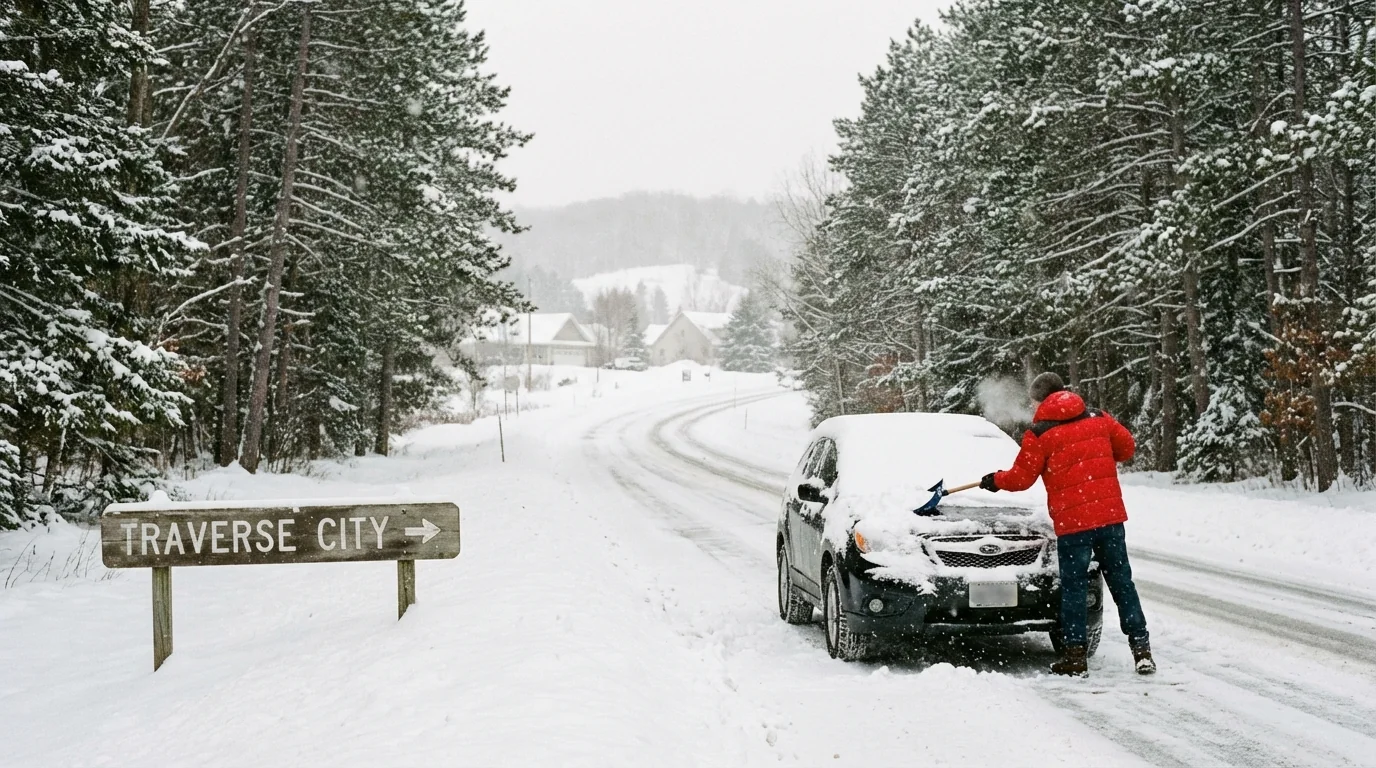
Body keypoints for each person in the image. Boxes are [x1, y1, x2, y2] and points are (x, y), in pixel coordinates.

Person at [978, 372, 1155, 677]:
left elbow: (1021, 478)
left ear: (1041, 399)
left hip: (1074, 524)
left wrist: (995, 481)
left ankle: (1075, 657)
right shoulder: (1098, 418)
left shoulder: (1040, 433)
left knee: (1073, 588)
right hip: (1110, 518)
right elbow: (1126, 449)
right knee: (1122, 583)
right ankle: (1142, 651)